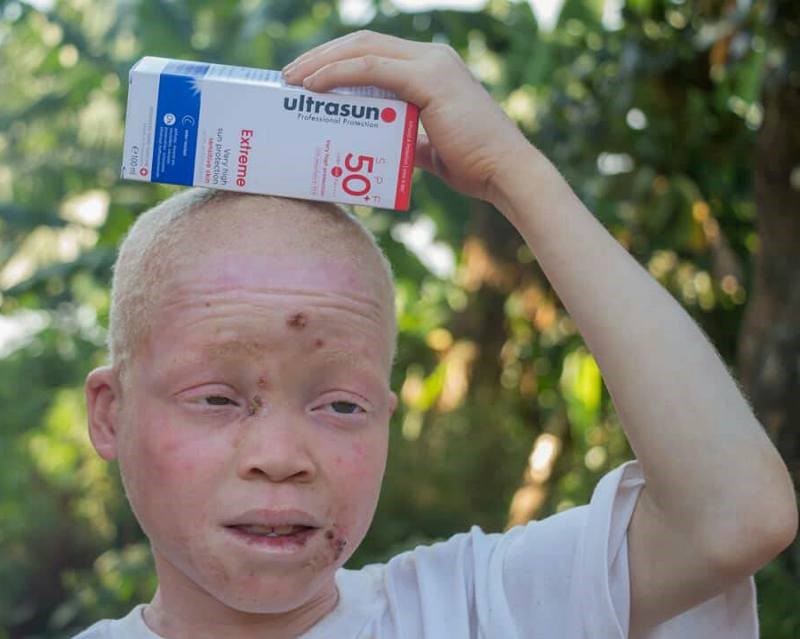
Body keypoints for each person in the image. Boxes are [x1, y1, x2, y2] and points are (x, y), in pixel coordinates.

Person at [77, 30, 797, 638]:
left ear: (388, 418)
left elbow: (733, 517)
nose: (280, 458)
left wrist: (512, 172)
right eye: (216, 398)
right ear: (111, 411)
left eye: (341, 405)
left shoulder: (476, 608)